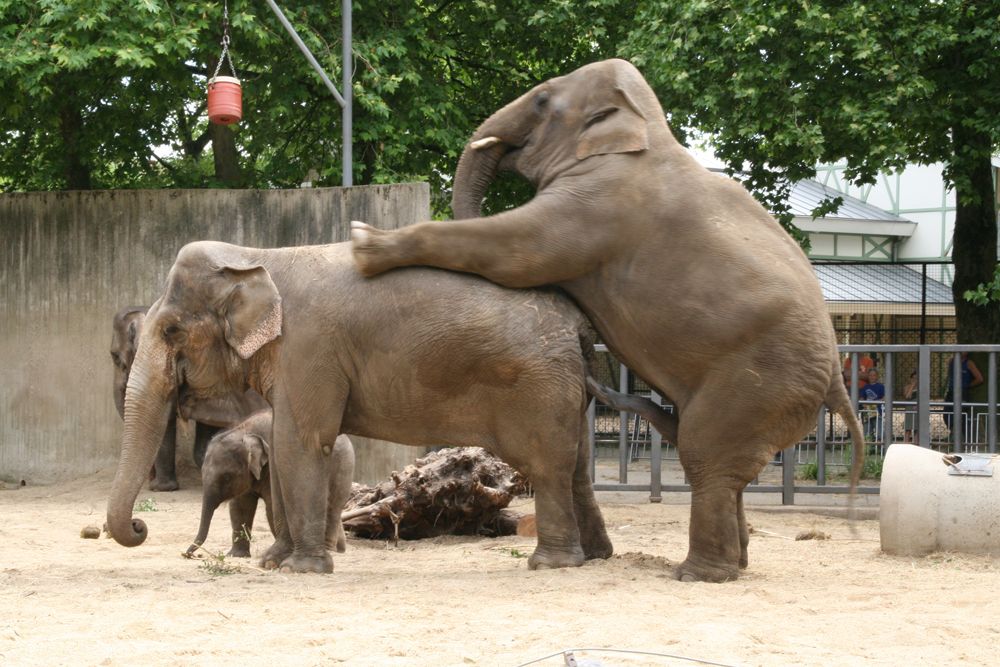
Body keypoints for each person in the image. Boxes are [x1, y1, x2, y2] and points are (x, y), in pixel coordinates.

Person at [943, 352, 984, 439]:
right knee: (947, 413)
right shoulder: (951, 361)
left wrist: (967, 385)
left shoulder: (969, 363)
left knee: (961, 414)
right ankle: (954, 432)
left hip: (962, 392)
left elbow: (979, 379)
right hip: (951, 392)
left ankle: (960, 437)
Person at [861, 368, 885, 439]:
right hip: (867, 412)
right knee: (867, 432)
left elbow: (885, 397)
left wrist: (877, 402)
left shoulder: (880, 386)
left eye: (874, 375)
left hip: (877, 412)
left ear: (877, 376)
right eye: (870, 375)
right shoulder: (865, 387)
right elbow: (862, 398)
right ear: (868, 376)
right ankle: (869, 448)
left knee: (880, 432)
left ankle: (880, 447)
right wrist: (864, 404)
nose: (872, 377)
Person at [902, 371, 918, 443]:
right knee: (908, 428)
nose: (915, 380)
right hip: (909, 409)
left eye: (916, 378)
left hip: (917, 409)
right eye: (913, 378)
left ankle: (916, 444)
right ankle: (906, 444)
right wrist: (912, 386)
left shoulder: (921, 388)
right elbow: (907, 396)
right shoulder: (907, 387)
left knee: (916, 429)